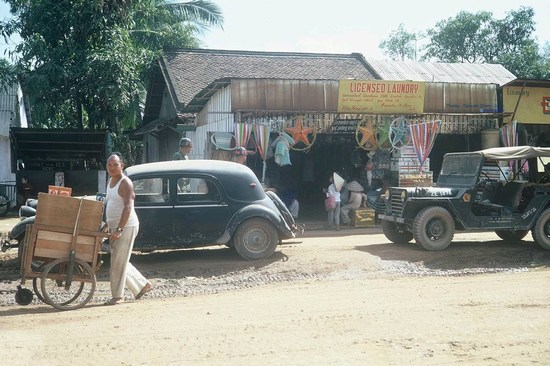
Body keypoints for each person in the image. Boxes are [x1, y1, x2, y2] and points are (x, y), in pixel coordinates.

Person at [103, 152, 152, 305]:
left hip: (126, 226)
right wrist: (107, 224)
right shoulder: (110, 181)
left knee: (117, 262)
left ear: (122, 166)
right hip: (114, 226)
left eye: (115, 165)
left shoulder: (126, 183)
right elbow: (111, 203)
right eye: (109, 165)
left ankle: (117, 297)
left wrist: (119, 229)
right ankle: (142, 285)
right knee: (120, 259)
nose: (112, 168)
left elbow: (127, 208)